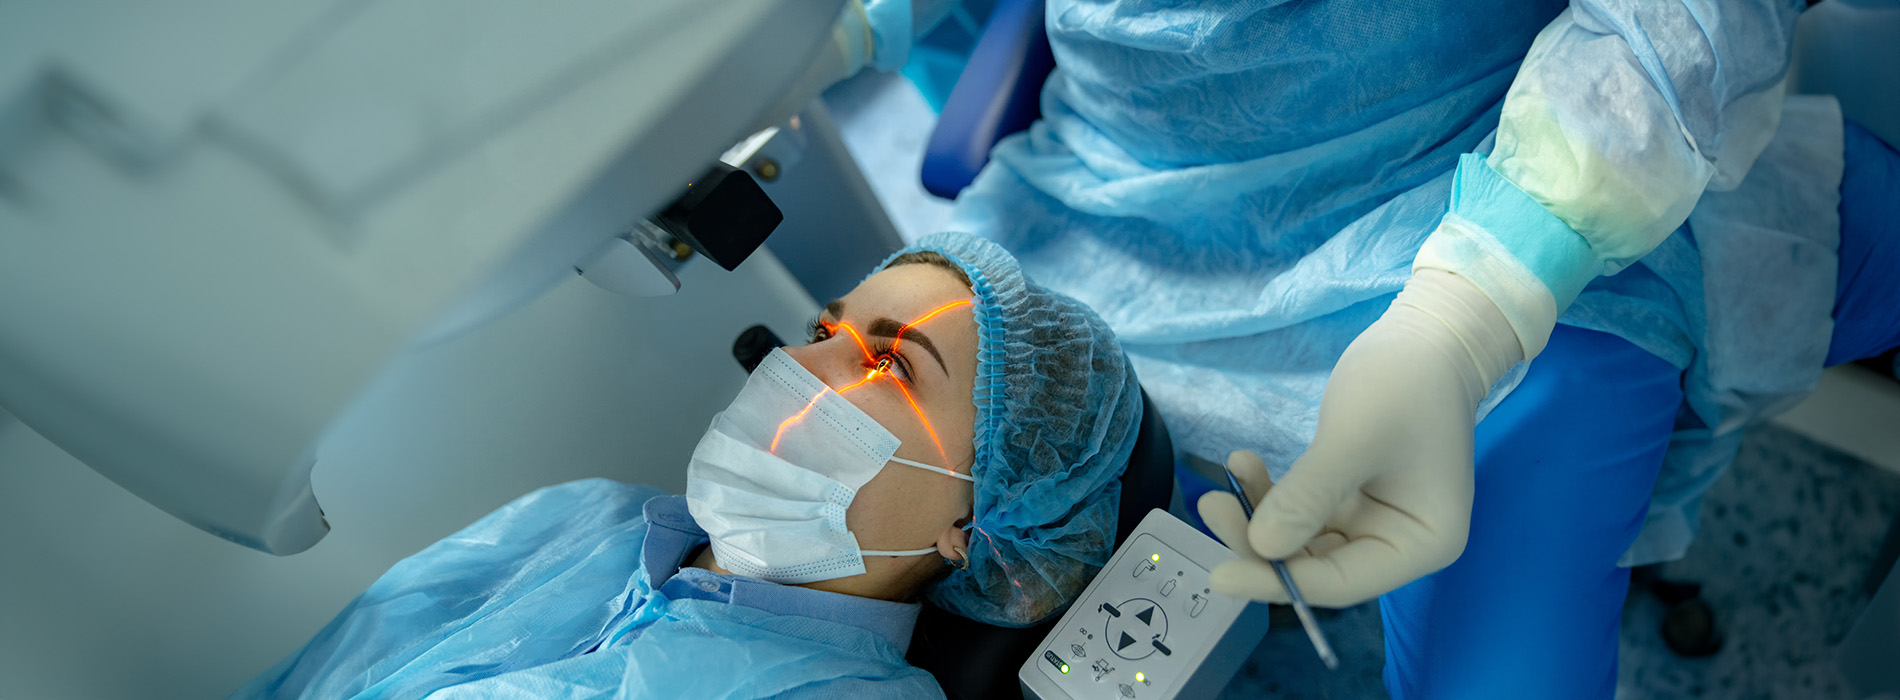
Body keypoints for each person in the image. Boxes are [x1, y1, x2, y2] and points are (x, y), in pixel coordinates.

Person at [794, 0, 1900, 695]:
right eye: (821, 340)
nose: (799, 381)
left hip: (1487, 196)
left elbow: (1679, 30)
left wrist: (1464, 318)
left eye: (859, 350)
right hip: (1108, 195)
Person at [228, 232, 1144, 699]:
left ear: (976, 522)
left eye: (889, 362)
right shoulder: (585, 516)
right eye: (825, 330)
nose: (799, 366)